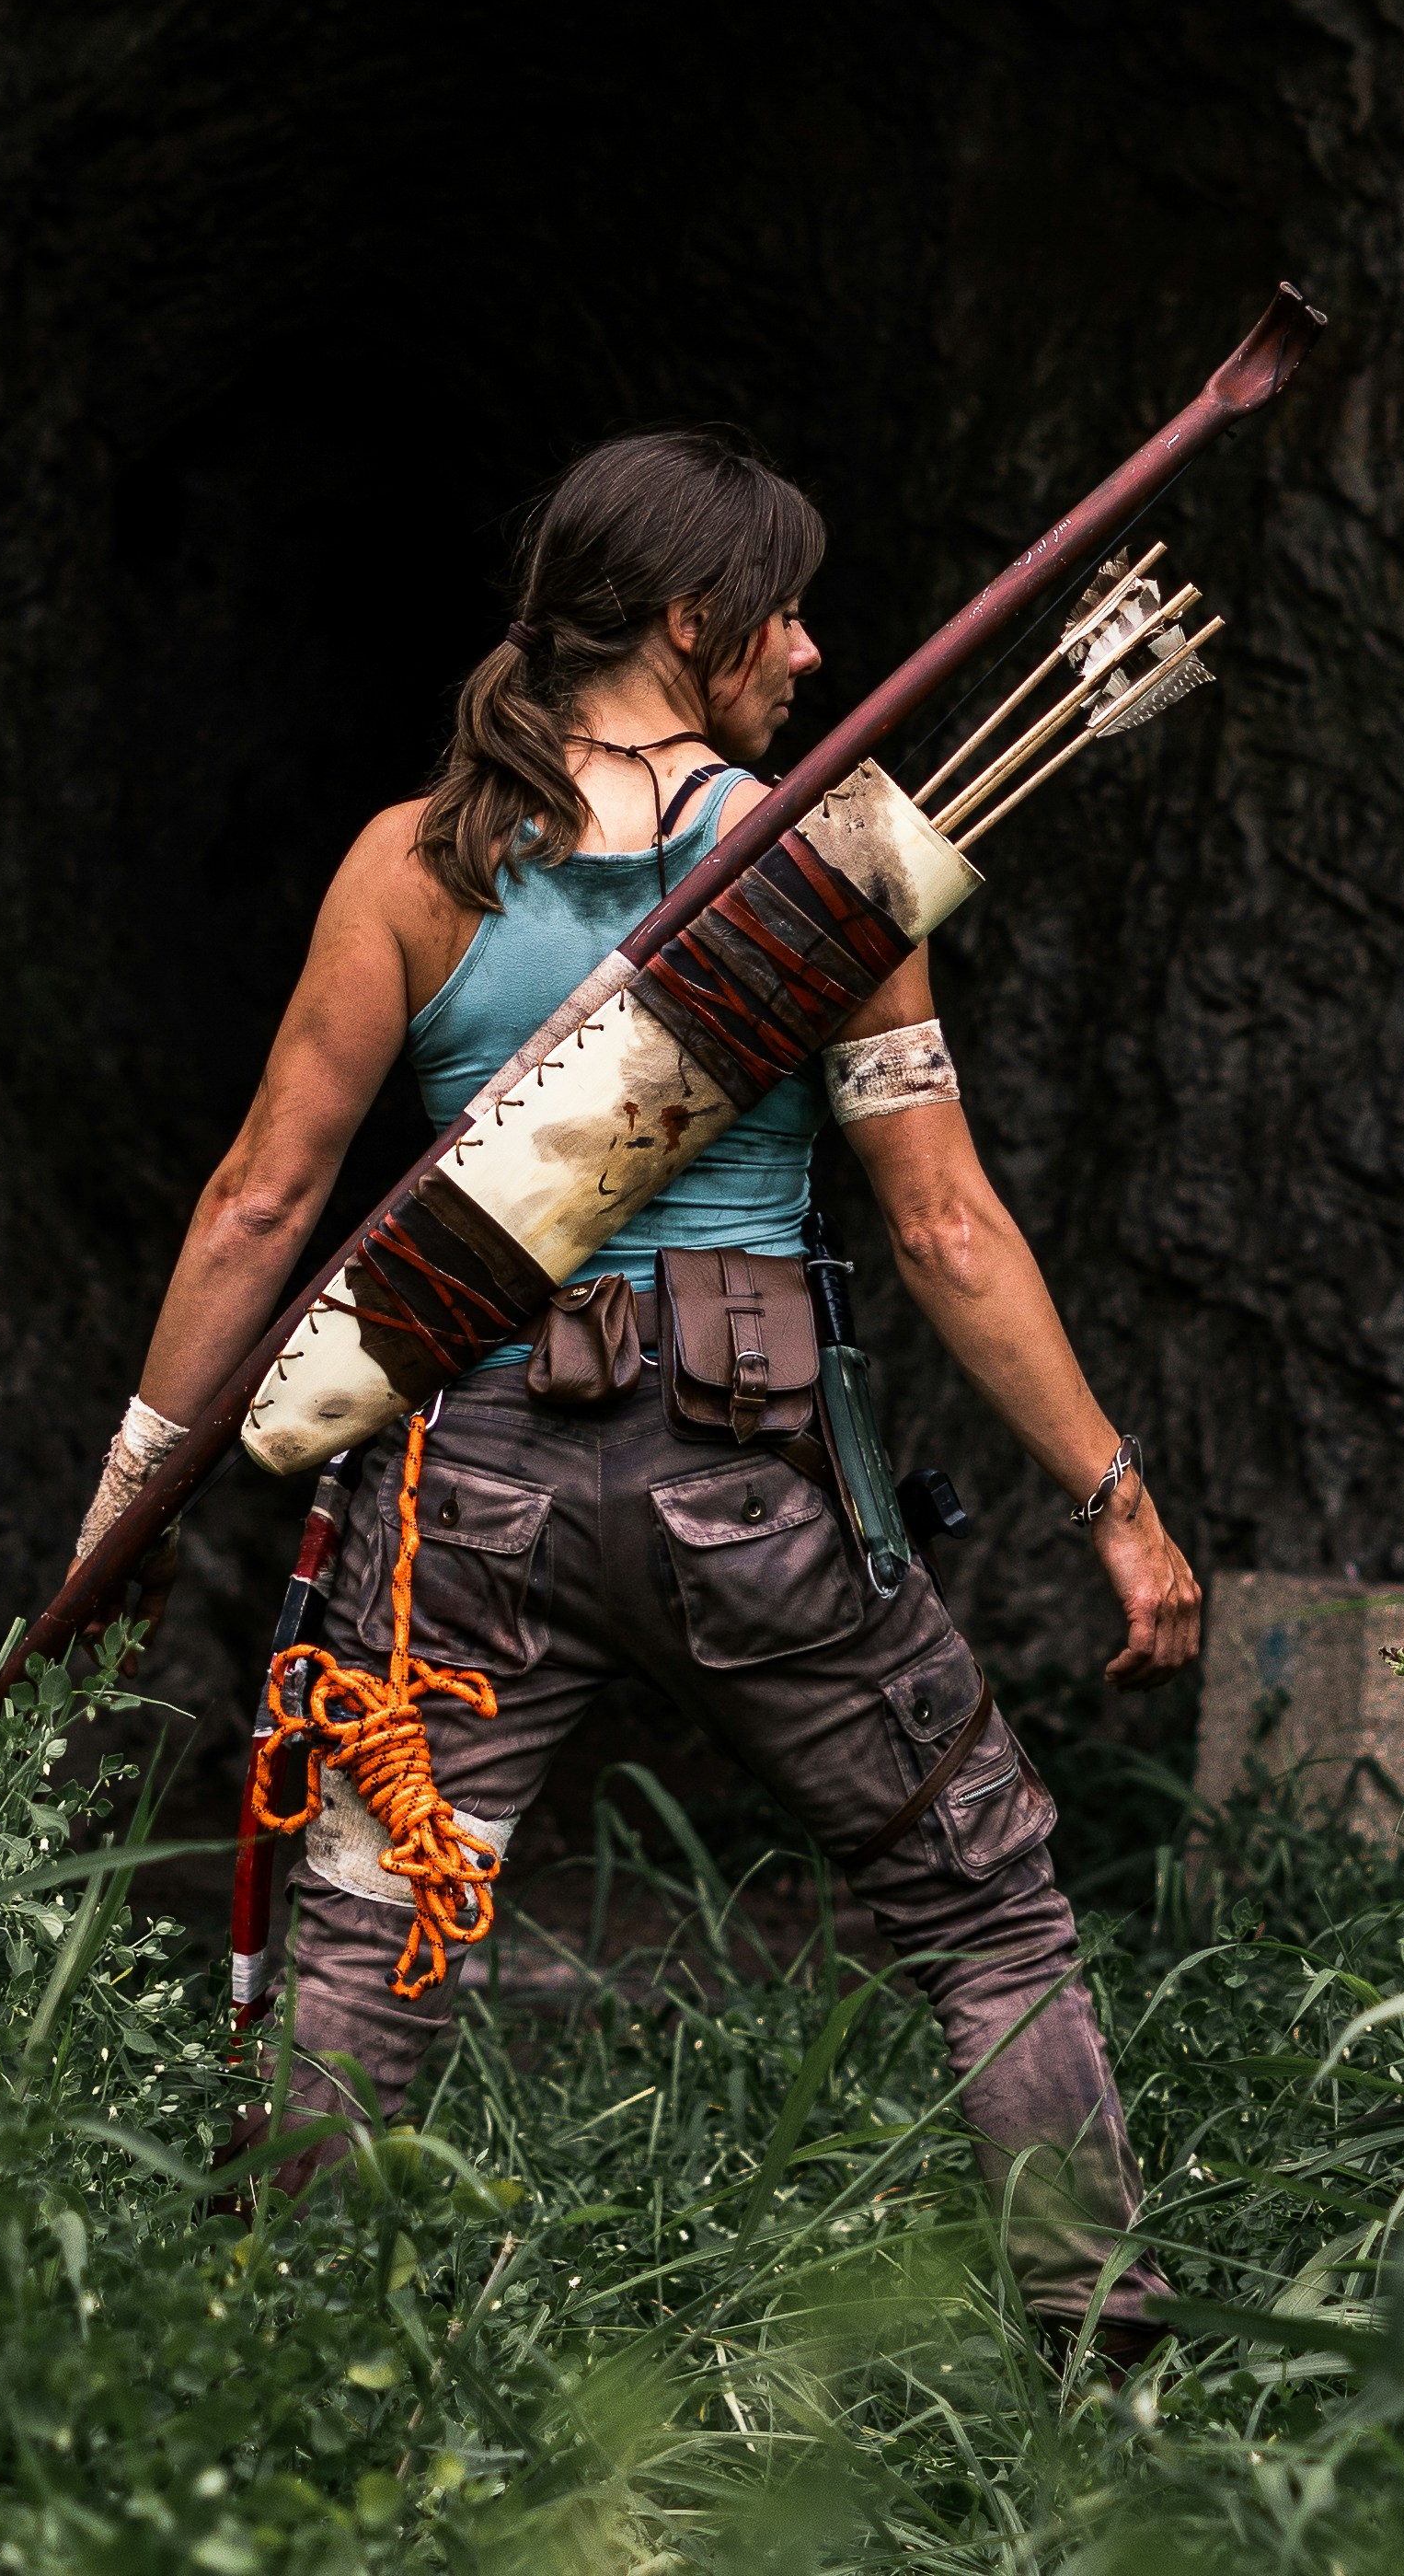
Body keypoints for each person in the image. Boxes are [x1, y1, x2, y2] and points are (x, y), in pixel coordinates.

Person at [76, 426, 1203, 2341]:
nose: (813, 654)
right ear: (692, 622)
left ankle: (280, 2368)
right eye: (780, 613)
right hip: (749, 1481)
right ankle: (1091, 2319)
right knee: (982, 1897)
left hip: (474, 1494)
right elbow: (938, 1228)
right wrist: (1114, 1496)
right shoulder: (832, 866)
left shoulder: (413, 864)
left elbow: (261, 1199)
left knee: (370, 1933)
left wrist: (130, 1484)